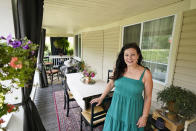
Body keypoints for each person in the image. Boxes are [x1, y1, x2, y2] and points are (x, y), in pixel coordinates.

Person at [90, 43, 153, 131]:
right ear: (123, 56)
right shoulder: (119, 68)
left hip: (133, 111)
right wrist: (101, 97)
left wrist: (145, 116)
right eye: (126, 55)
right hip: (116, 108)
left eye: (133, 55)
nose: (129, 58)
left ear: (138, 55)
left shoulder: (146, 73)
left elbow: (148, 97)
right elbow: (111, 84)